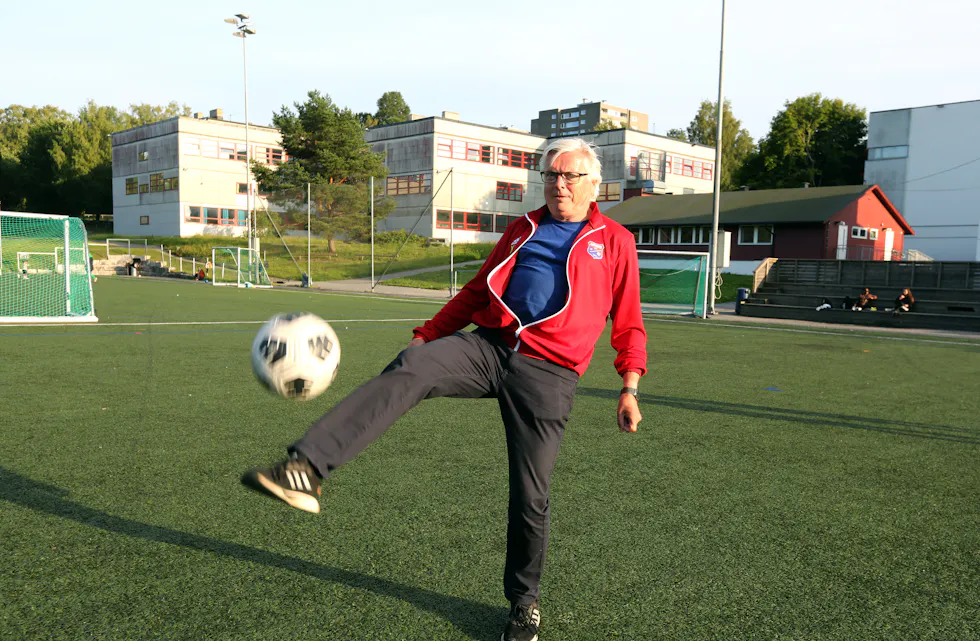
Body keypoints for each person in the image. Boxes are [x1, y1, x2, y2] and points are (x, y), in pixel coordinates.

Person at [241, 138, 647, 641]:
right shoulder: (523, 228)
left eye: (568, 177)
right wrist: (429, 335)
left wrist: (629, 385)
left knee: (530, 496)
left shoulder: (614, 241)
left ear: (592, 184)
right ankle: (306, 468)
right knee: (415, 365)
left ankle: (525, 606)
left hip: (551, 373)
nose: (558, 185)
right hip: (490, 347)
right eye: (550, 176)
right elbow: (478, 290)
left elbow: (628, 322)